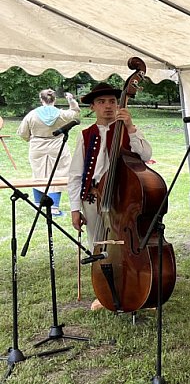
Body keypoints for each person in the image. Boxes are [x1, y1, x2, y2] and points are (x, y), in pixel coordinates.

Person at [66, 82, 153, 310]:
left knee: (129, 242)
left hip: (124, 196)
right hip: (95, 196)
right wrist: (75, 208)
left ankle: (138, 283)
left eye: (112, 101)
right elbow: (75, 174)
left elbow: (145, 154)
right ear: (93, 106)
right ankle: (104, 291)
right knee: (98, 243)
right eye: (102, 102)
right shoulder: (85, 135)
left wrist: (131, 127)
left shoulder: (126, 129)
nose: (108, 106)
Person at [17, 88, 81, 216]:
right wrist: (71, 100)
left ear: (41, 99)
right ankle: (54, 207)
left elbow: (23, 133)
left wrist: (31, 139)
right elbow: (75, 112)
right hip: (57, 146)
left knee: (38, 174)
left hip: (37, 147)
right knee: (58, 175)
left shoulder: (32, 114)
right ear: (54, 99)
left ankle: (37, 205)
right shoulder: (61, 114)